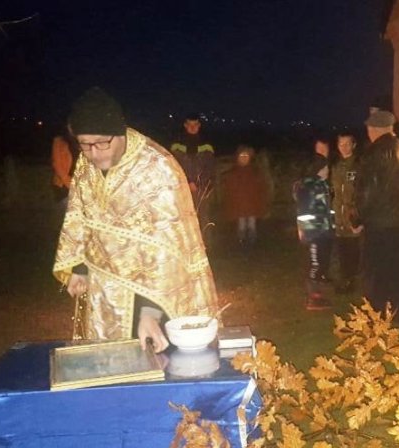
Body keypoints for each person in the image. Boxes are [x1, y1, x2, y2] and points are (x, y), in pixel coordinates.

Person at [53, 87, 218, 352]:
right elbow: (79, 217)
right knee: (108, 361)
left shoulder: (157, 167)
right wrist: (79, 268)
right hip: (104, 293)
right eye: (84, 144)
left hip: (157, 298)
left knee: (159, 364)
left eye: (102, 143)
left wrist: (149, 313)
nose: (94, 153)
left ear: (120, 132)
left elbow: (168, 251)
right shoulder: (85, 164)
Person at [354, 110, 399, 323]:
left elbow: (367, 191)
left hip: (380, 222)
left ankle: (377, 315)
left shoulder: (374, 153)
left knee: (376, 272)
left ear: (373, 129)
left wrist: (358, 218)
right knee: (398, 270)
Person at [294, 154, 335, 310]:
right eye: (325, 168)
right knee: (315, 264)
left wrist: (331, 224)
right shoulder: (307, 187)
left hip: (325, 230)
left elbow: (327, 208)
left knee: (323, 262)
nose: (327, 170)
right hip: (314, 232)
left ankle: (320, 292)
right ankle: (313, 298)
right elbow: (304, 211)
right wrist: (306, 232)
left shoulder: (323, 185)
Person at [170, 114, 216, 244]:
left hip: (202, 188)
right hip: (183, 188)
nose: (192, 127)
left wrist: (203, 184)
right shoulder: (177, 144)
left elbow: (210, 166)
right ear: (185, 125)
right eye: (189, 124)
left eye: (195, 124)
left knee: (203, 216)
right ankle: (188, 245)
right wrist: (188, 181)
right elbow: (175, 165)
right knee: (184, 216)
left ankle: (205, 244)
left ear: (199, 125)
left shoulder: (206, 144)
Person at [330, 133, 361, 293]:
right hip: (338, 217)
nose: (344, 147)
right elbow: (334, 192)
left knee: (353, 250)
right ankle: (343, 279)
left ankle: (352, 280)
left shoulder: (359, 165)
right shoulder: (336, 166)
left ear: (353, 145)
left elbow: (363, 192)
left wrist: (359, 218)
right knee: (341, 250)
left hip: (353, 216)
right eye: (341, 144)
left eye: (347, 144)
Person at [222, 145, 268, 249]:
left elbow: (260, 188)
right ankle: (241, 241)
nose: (244, 158)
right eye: (242, 156)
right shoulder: (233, 173)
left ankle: (252, 242)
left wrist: (260, 201)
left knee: (252, 224)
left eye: (246, 156)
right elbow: (229, 189)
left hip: (252, 205)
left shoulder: (255, 172)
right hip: (240, 205)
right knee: (241, 224)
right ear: (237, 158)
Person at [51, 131, 75, 203]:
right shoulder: (59, 141)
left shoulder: (83, 141)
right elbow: (57, 165)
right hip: (63, 185)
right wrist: (70, 184)